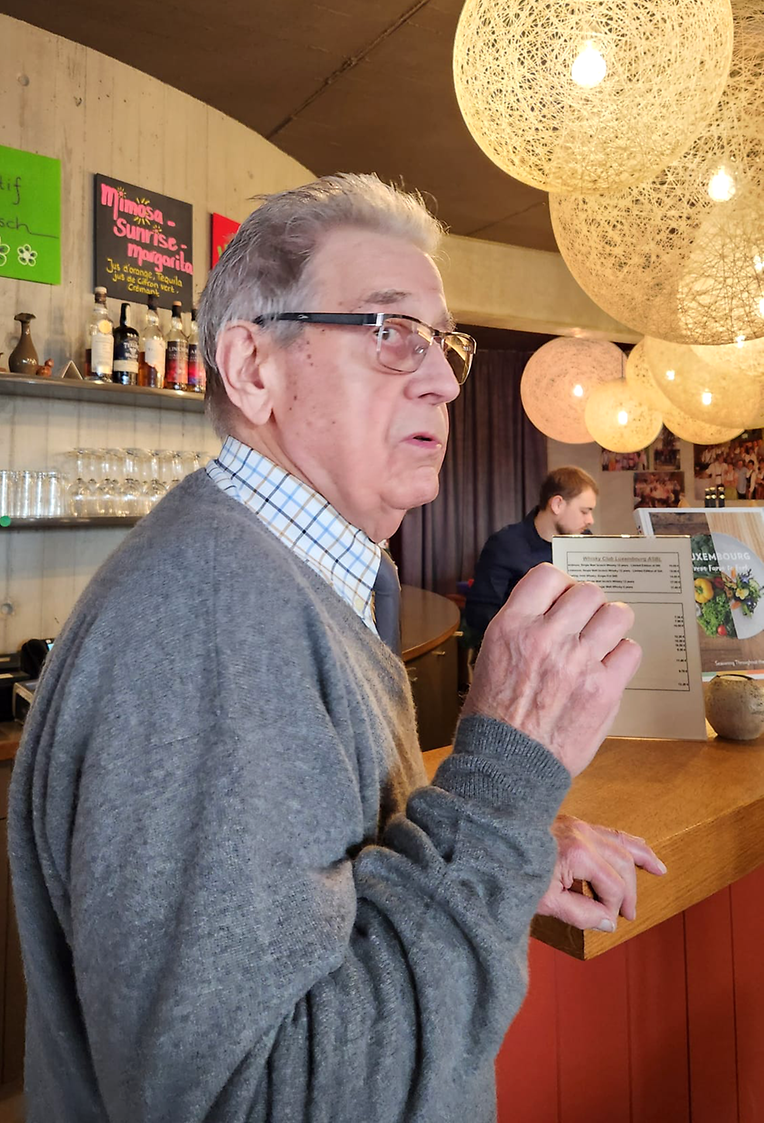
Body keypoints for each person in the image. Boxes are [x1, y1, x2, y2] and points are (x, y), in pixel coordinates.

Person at [9, 176, 663, 1123]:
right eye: (391, 331)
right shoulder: (208, 615)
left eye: (444, 345)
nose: (443, 380)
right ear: (254, 368)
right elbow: (249, 1100)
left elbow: (322, 891)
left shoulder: (284, 579)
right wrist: (500, 787)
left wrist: (498, 853)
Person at [465, 466, 599, 639]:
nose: (590, 520)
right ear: (557, 504)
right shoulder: (505, 544)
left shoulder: (586, 541)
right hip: (521, 646)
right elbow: (480, 614)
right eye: (584, 511)